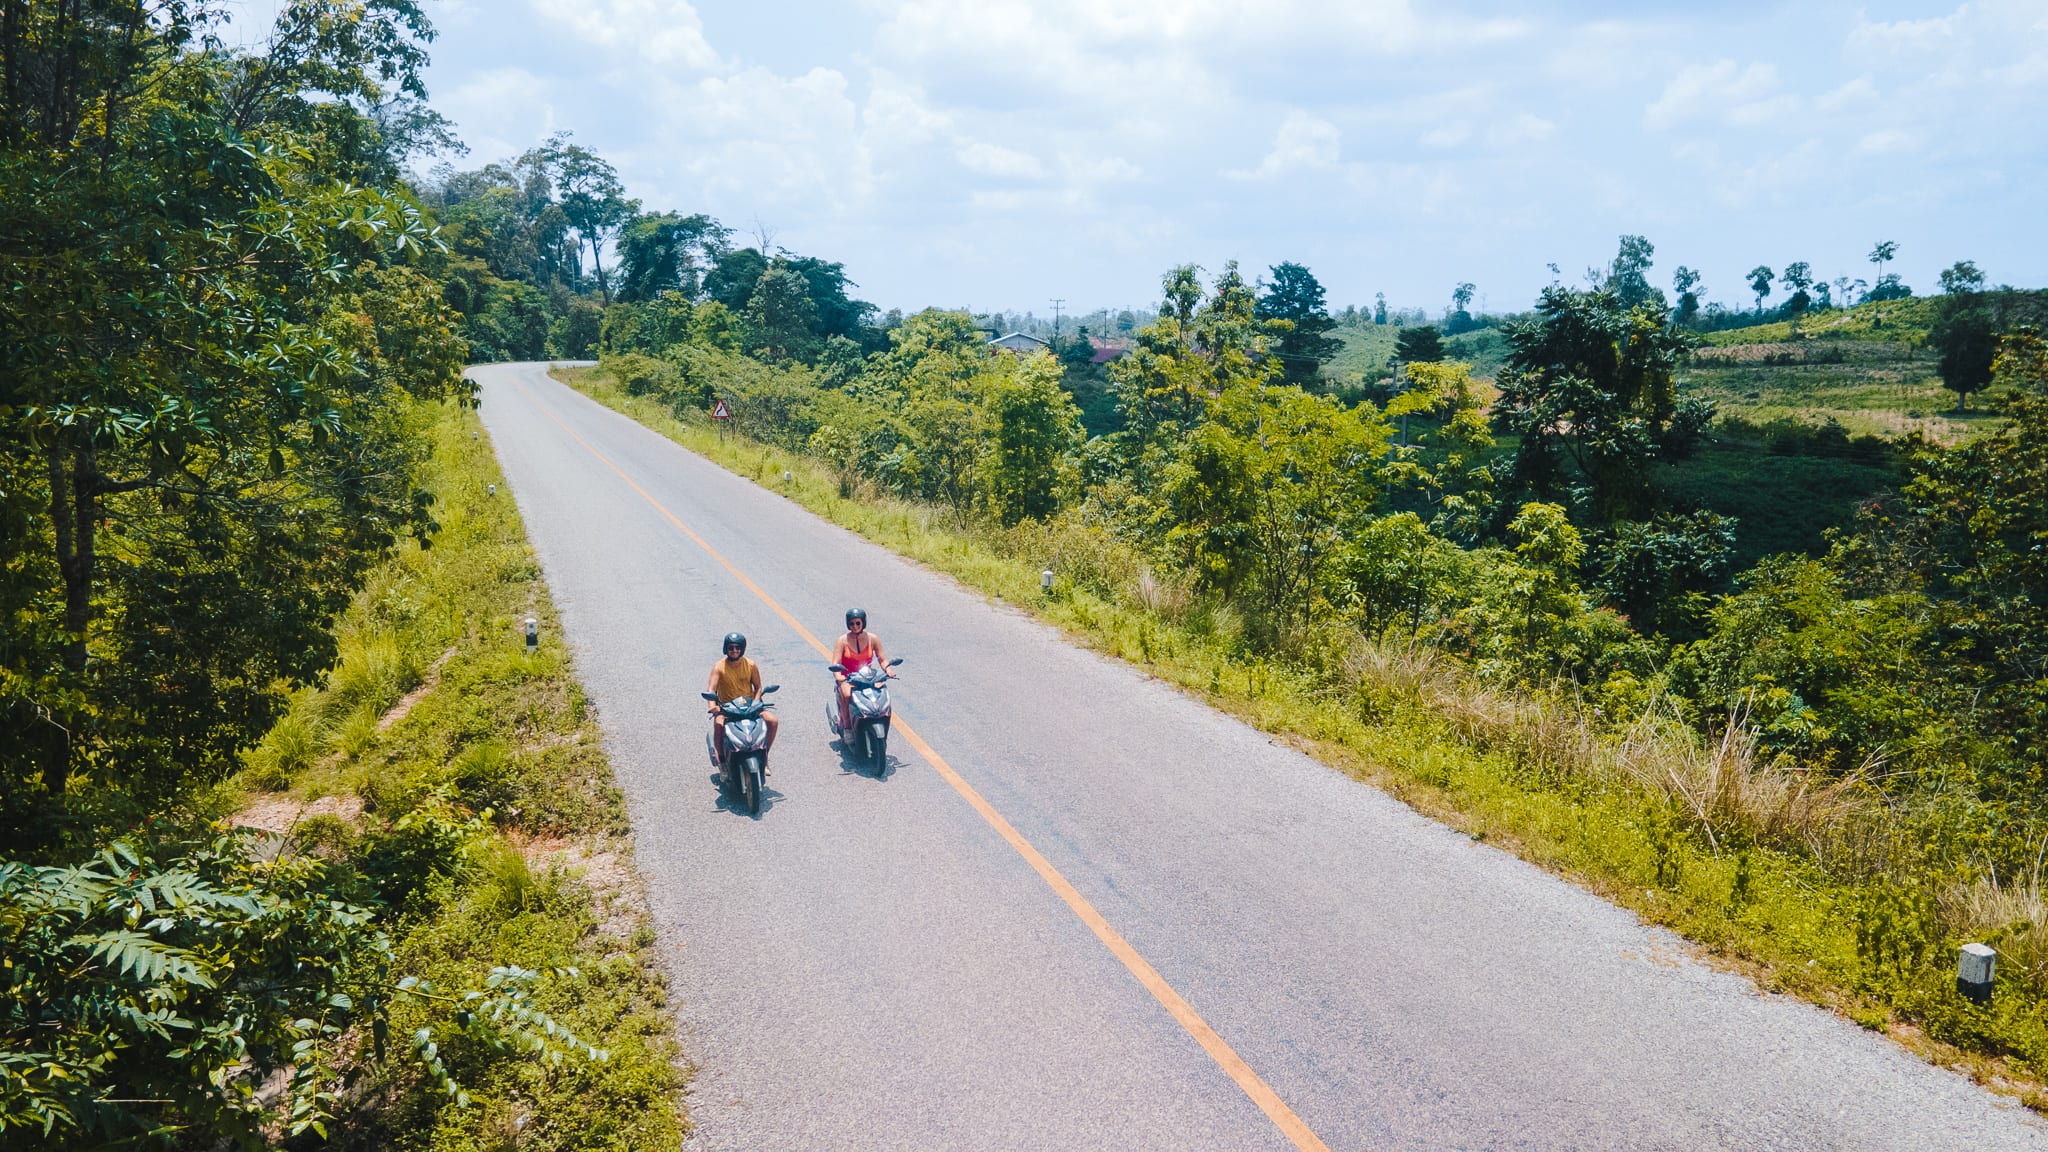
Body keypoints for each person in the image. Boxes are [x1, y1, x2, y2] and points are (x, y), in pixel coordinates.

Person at [707, 632, 777, 769]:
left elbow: (758, 687)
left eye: (737, 647)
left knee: (772, 721)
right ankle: (721, 760)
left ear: (742, 649)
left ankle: (764, 756)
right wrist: (712, 706)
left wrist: (756, 702)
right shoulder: (718, 667)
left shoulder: (751, 665)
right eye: (731, 648)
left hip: (750, 707)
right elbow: (711, 690)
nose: (734, 651)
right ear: (726, 649)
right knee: (718, 724)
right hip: (728, 708)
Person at [832, 607, 892, 736]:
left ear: (863, 622)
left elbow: (882, 659)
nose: (855, 626)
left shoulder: (873, 639)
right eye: (852, 623)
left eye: (858, 623)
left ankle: (884, 723)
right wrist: (838, 676)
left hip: (867, 677)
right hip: (848, 678)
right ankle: (847, 727)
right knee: (847, 694)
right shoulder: (842, 641)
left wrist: (888, 669)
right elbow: (835, 663)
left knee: (882, 692)